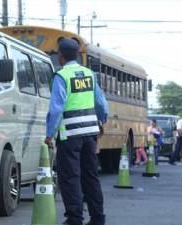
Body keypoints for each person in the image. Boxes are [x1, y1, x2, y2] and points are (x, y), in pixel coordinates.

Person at [45, 38, 109, 225]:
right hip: (90, 134)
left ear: (61, 56)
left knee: (70, 177)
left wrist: (49, 134)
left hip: (70, 136)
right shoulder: (89, 74)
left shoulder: (62, 76)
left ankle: (74, 219)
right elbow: (100, 103)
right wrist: (101, 121)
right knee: (90, 176)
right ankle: (98, 218)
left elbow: (56, 109)